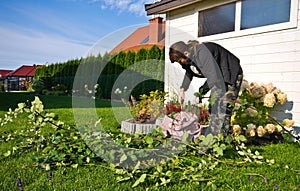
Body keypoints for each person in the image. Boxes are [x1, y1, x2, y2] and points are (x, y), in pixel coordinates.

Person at [169, 40, 243, 135]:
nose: (180, 63)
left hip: (230, 73)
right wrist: (182, 89)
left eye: (179, 61)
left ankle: (223, 138)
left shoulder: (203, 53)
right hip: (218, 77)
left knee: (224, 107)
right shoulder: (189, 58)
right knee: (213, 106)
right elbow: (189, 72)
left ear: (186, 53)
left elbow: (213, 77)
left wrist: (200, 94)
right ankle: (213, 135)